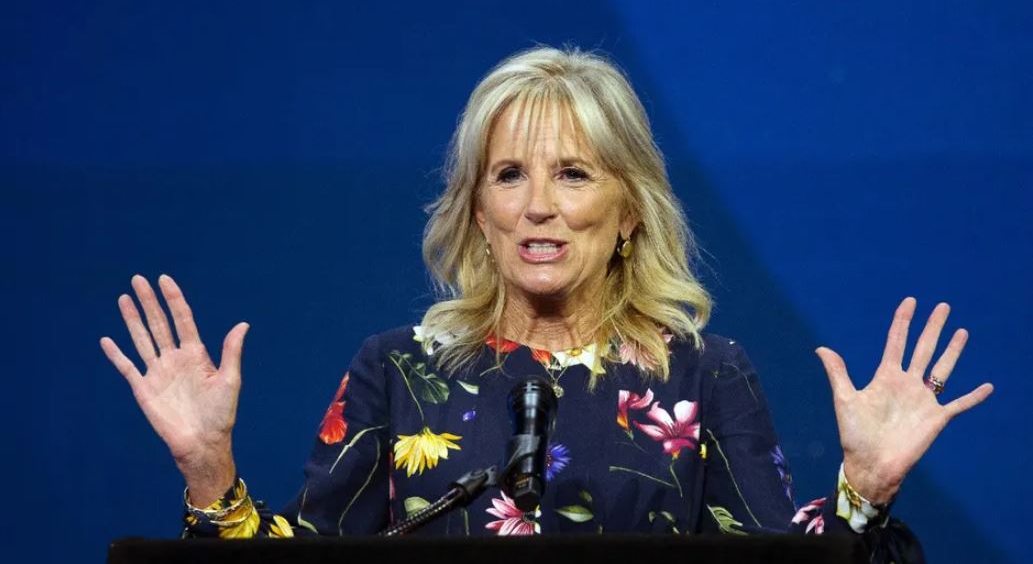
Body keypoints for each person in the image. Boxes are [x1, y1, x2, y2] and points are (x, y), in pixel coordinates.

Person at [100, 46, 993, 560]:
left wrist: (865, 489)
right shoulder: (396, 370)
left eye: (571, 174)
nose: (537, 206)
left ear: (628, 209)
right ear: (476, 213)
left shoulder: (704, 375)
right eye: (507, 175)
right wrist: (208, 470)